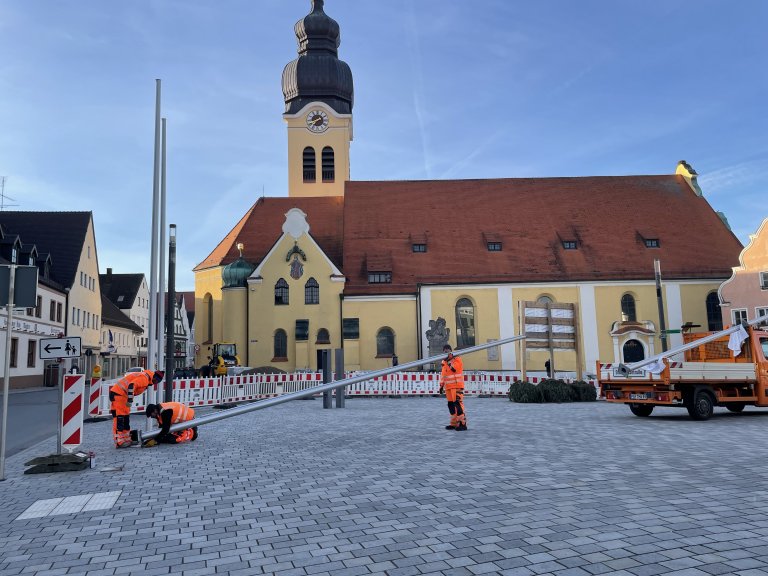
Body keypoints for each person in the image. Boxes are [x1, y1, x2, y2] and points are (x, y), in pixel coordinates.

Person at [109, 370, 164, 448]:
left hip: (122, 395)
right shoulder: (144, 379)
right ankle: (119, 441)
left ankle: (126, 439)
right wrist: (130, 399)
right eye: (157, 381)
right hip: (119, 394)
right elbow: (131, 385)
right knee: (120, 418)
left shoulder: (147, 378)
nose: (156, 383)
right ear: (155, 378)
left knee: (125, 418)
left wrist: (129, 398)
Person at [438, 344, 467, 431]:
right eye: (444, 351)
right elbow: (443, 375)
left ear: (450, 351)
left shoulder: (457, 358)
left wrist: (449, 361)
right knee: (451, 405)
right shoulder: (444, 362)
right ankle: (454, 423)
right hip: (448, 387)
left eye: (447, 351)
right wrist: (441, 385)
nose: (446, 353)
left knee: (458, 403)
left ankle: (462, 424)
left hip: (457, 386)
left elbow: (455, 369)